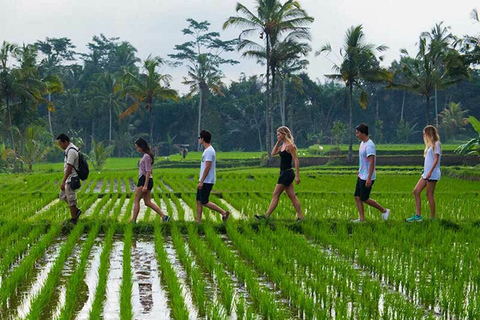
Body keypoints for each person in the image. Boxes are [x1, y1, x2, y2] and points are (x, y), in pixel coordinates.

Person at [255, 126, 304, 221]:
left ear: (284, 134)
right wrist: (278, 141)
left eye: (278, 134)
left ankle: (266, 216)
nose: (277, 136)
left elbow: (296, 160)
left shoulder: (290, 146)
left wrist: (297, 176)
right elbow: (273, 153)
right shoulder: (283, 146)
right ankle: (300, 217)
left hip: (287, 174)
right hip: (284, 173)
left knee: (275, 194)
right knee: (292, 196)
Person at [352, 123, 390, 222]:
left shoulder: (369, 145)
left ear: (363, 133)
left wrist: (369, 178)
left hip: (367, 177)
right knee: (357, 196)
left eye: (358, 133)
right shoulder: (362, 143)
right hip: (361, 175)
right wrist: (359, 171)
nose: (357, 135)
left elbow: (372, 162)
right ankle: (361, 219)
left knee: (364, 198)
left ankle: (384, 211)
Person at [128, 138, 170, 223]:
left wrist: (145, 185)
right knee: (147, 202)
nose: (137, 149)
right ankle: (164, 217)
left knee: (136, 200)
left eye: (137, 147)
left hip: (144, 180)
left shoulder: (146, 156)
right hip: (147, 180)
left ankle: (133, 220)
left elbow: (148, 171)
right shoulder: (146, 156)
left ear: (141, 146)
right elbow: (150, 170)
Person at [406, 125, 441, 222]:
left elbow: (436, 160)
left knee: (429, 194)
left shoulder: (436, 144)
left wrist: (430, 172)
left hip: (432, 174)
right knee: (416, 191)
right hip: (426, 174)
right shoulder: (429, 146)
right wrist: (427, 172)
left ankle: (432, 218)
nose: (424, 136)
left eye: (424, 134)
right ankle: (418, 216)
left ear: (429, 133)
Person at [196, 130, 230, 223]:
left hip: (207, 181)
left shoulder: (209, 151)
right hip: (204, 180)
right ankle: (197, 222)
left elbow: (207, 166)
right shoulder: (207, 150)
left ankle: (223, 213)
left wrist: (201, 181)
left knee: (204, 202)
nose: (199, 139)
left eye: (199, 138)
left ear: (203, 139)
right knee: (199, 201)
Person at [57, 134, 82, 224]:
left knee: (71, 199)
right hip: (69, 178)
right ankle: (76, 211)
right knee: (62, 196)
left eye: (61, 143)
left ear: (65, 142)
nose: (60, 145)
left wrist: (63, 181)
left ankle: (74, 219)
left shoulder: (71, 151)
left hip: (72, 178)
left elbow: (69, 167)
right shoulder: (69, 149)